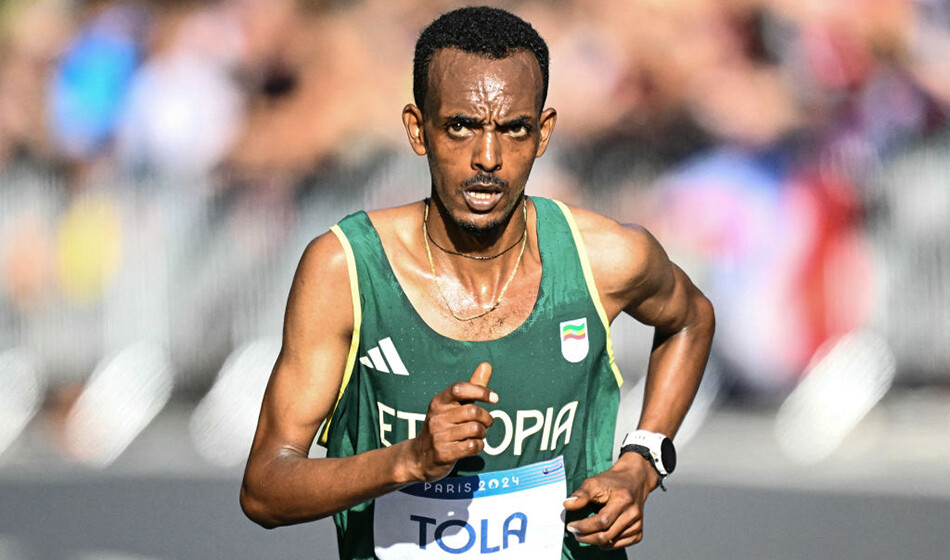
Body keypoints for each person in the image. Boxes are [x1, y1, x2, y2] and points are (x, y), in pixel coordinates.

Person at [240, 6, 714, 560]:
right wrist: (409, 459)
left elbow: (692, 318)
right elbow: (264, 489)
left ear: (543, 133)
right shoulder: (346, 269)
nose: (487, 158)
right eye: (460, 126)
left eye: (514, 129)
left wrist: (643, 461)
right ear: (418, 129)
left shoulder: (605, 257)